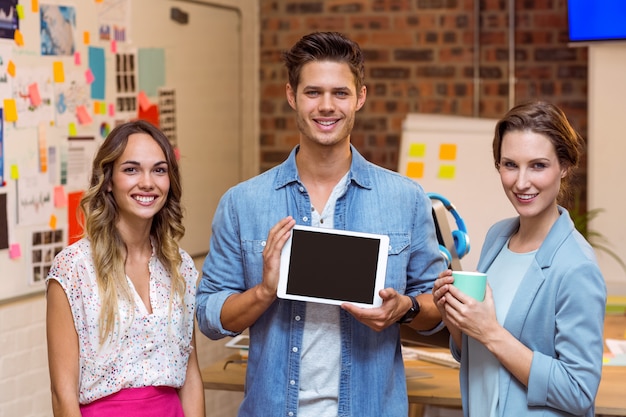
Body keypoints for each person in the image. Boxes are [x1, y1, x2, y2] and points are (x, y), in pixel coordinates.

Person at [195, 31, 448, 416]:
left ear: (360, 97)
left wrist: (406, 308)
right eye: (313, 92)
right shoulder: (243, 203)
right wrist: (264, 292)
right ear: (291, 96)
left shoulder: (405, 199)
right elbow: (210, 316)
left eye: (340, 93)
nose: (326, 106)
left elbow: (437, 305)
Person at [433, 101, 607, 417]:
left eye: (538, 165)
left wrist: (491, 332)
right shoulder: (497, 238)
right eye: (510, 165)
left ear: (564, 166)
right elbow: (475, 353)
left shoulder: (576, 266)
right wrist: (453, 314)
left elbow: (579, 392)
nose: (521, 182)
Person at [46, 120, 205, 417]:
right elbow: (62, 393)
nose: (147, 182)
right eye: (131, 169)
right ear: (108, 180)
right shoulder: (72, 268)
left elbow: (190, 374)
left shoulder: (179, 265)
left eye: (159, 170)